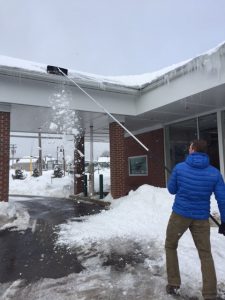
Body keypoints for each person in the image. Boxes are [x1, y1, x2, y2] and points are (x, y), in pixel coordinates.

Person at [165, 140, 225, 300]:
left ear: (193, 150)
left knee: (170, 245)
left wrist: (175, 177)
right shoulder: (214, 173)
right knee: (205, 254)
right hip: (201, 218)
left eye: (190, 146)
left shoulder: (179, 168)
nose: (188, 148)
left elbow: (171, 190)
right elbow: (222, 199)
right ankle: (210, 294)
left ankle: (173, 283)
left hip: (180, 216)